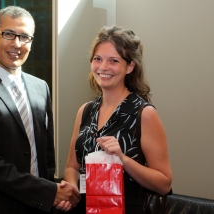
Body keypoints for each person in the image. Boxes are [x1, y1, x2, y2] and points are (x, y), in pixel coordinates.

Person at [0, 6, 80, 214]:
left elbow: (45, 157)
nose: (16, 44)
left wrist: (51, 197)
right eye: (9, 34)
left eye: (24, 37)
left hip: (37, 207)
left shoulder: (41, 88)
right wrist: (48, 191)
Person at [60, 26, 172, 213]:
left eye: (113, 61)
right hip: (84, 208)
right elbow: (72, 167)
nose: (103, 67)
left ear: (129, 66)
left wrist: (122, 159)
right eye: (98, 59)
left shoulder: (144, 113)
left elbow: (164, 184)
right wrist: (71, 189)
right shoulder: (85, 111)